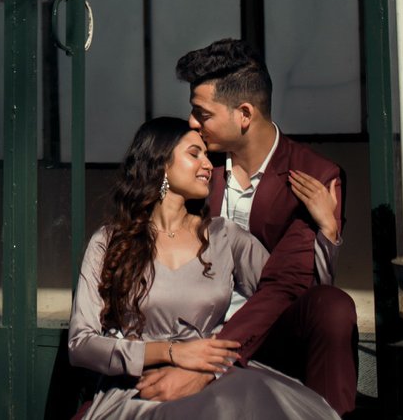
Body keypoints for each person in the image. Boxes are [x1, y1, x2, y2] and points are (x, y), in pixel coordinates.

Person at [135, 39, 357, 415]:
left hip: (267, 331)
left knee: (332, 307)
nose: (191, 123)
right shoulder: (197, 167)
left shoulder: (314, 177)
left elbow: (285, 286)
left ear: (244, 114)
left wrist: (209, 364)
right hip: (187, 323)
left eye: (201, 113)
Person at [68, 117, 339, 419]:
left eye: (207, 156)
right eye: (194, 153)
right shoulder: (109, 240)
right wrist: (169, 351)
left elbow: (290, 300)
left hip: (215, 381)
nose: (209, 165)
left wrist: (327, 230)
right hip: (140, 388)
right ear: (162, 164)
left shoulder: (226, 237)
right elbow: (81, 344)